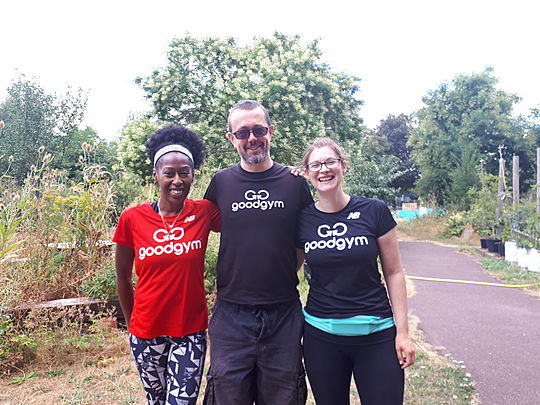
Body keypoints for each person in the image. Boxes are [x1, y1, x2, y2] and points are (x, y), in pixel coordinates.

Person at [203, 100, 313, 405]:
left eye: (259, 129)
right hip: (230, 315)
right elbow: (199, 225)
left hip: (283, 313)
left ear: (271, 131)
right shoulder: (220, 183)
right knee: (227, 396)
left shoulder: (295, 184)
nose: (252, 138)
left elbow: (304, 241)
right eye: (243, 132)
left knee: (284, 396)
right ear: (232, 139)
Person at [297, 137, 415, 405]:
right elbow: (289, 268)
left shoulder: (374, 210)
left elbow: (394, 272)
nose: (323, 169)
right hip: (321, 336)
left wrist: (403, 332)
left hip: (378, 334)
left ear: (343, 166)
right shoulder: (302, 219)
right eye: (315, 165)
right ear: (306, 173)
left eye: (330, 162)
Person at [113, 125, 220, 405]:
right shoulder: (132, 218)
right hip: (146, 333)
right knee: (156, 401)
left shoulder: (204, 212)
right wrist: (132, 325)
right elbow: (122, 278)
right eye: (169, 173)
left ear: (193, 175)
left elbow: (245, 215)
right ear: (155, 175)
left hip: (190, 330)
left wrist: (284, 179)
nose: (177, 180)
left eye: (184, 172)